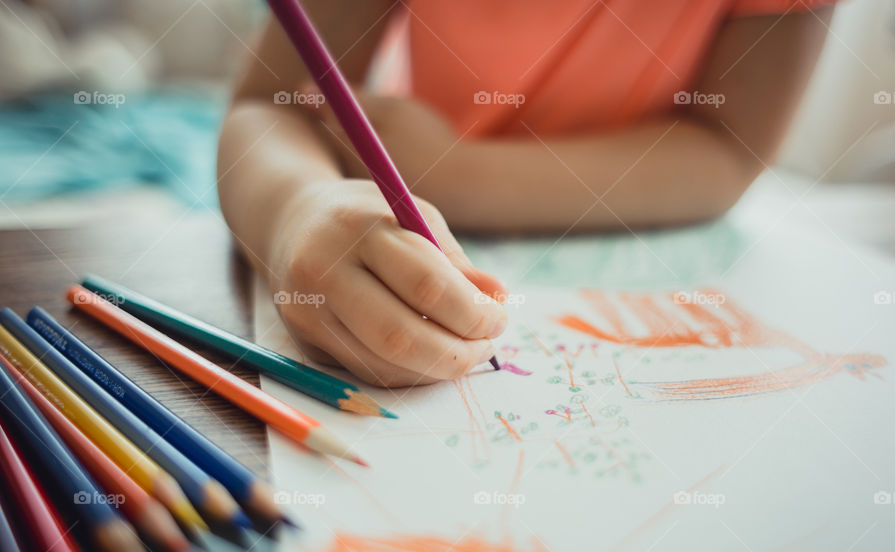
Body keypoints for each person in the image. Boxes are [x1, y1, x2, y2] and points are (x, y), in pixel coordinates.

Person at [218, 0, 836, 387]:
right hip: (399, 222)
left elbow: (729, 149)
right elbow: (268, 104)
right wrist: (295, 211)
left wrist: (459, 174)